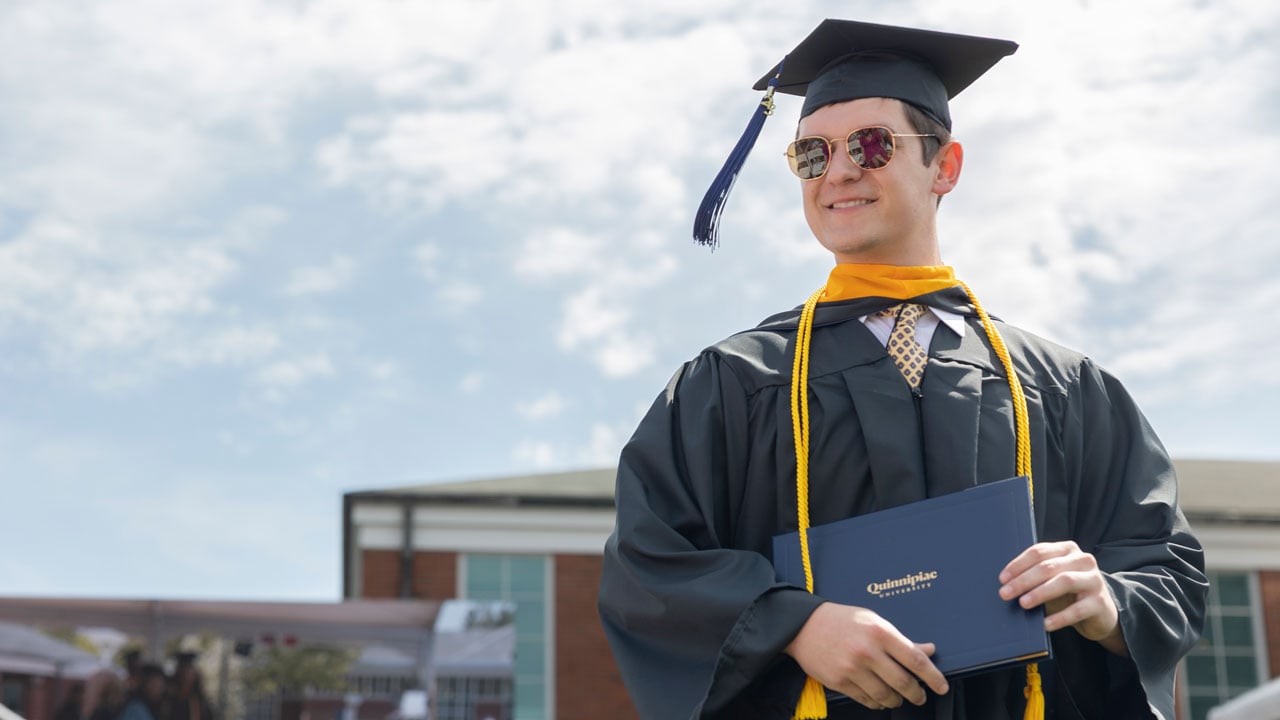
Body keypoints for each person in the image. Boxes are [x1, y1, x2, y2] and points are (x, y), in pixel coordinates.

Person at [597, 19, 1207, 720]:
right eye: (812, 154)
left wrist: (1107, 601)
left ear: (944, 166)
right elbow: (649, 564)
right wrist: (791, 623)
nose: (841, 171)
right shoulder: (732, 383)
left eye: (873, 145)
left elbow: (1165, 569)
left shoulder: (1066, 388)